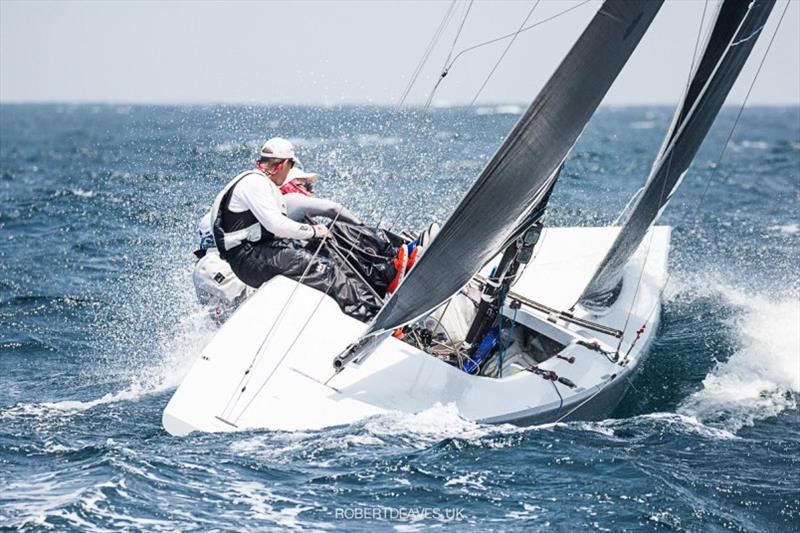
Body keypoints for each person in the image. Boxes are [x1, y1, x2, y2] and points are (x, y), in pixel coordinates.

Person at [209, 137, 389, 321]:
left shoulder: (262, 183)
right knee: (324, 269)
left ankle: (376, 293)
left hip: (257, 253)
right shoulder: (254, 183)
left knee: (328, 255)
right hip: (248, 260)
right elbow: (276, 225)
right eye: (291, 165)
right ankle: (369, 318)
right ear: (285, 163)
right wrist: (313, 231)